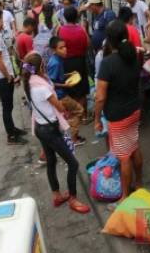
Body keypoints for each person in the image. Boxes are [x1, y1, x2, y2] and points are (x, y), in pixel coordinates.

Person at [21, 51, 91, 214]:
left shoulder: (29, 82)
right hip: (50, 130)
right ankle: (73, 198)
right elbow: (59, 106)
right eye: (43, 64)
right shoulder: (41, 87)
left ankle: (56, 195)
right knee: (72, 163)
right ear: (40, 67)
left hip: (40, 127)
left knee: (51, 162)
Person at [95, 20, 143, 199]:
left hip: (117, 115)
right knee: (134, 147)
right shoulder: (133, 56)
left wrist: (96, 119)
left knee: (124, 156)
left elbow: (100, 97)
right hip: (134, 110)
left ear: (109, 40)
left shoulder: (107, 63)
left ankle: (124, 196)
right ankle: (138, 184)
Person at [0, 8, 28, 145]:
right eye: (2, 19)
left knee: (9, 107)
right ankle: (11, 136)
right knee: (7, 107)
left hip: (4, 77)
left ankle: (12, 129)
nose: (3, 22)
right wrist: (8, 77)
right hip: (2, 78)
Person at [47, 37, 86, 146]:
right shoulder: (55, 63)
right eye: (61, 48)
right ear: (54, 50)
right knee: (79, 110)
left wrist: (68, 75)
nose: (65, 50)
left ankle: (71, 134)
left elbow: (57, 77)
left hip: (60, 94)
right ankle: (73, 138)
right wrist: (66, 84)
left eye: (65, 47)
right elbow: (51, 83)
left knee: (72, 112)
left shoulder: (57, 59)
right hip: (60, 95)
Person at [58, 6, 90, 108]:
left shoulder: (61, 30)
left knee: (71, 87)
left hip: (66, 62)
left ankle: (76, 114)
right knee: (82, 89)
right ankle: (83, 115)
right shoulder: (81, 30)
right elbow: (88, 44)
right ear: (76, 16)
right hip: (80, 61)